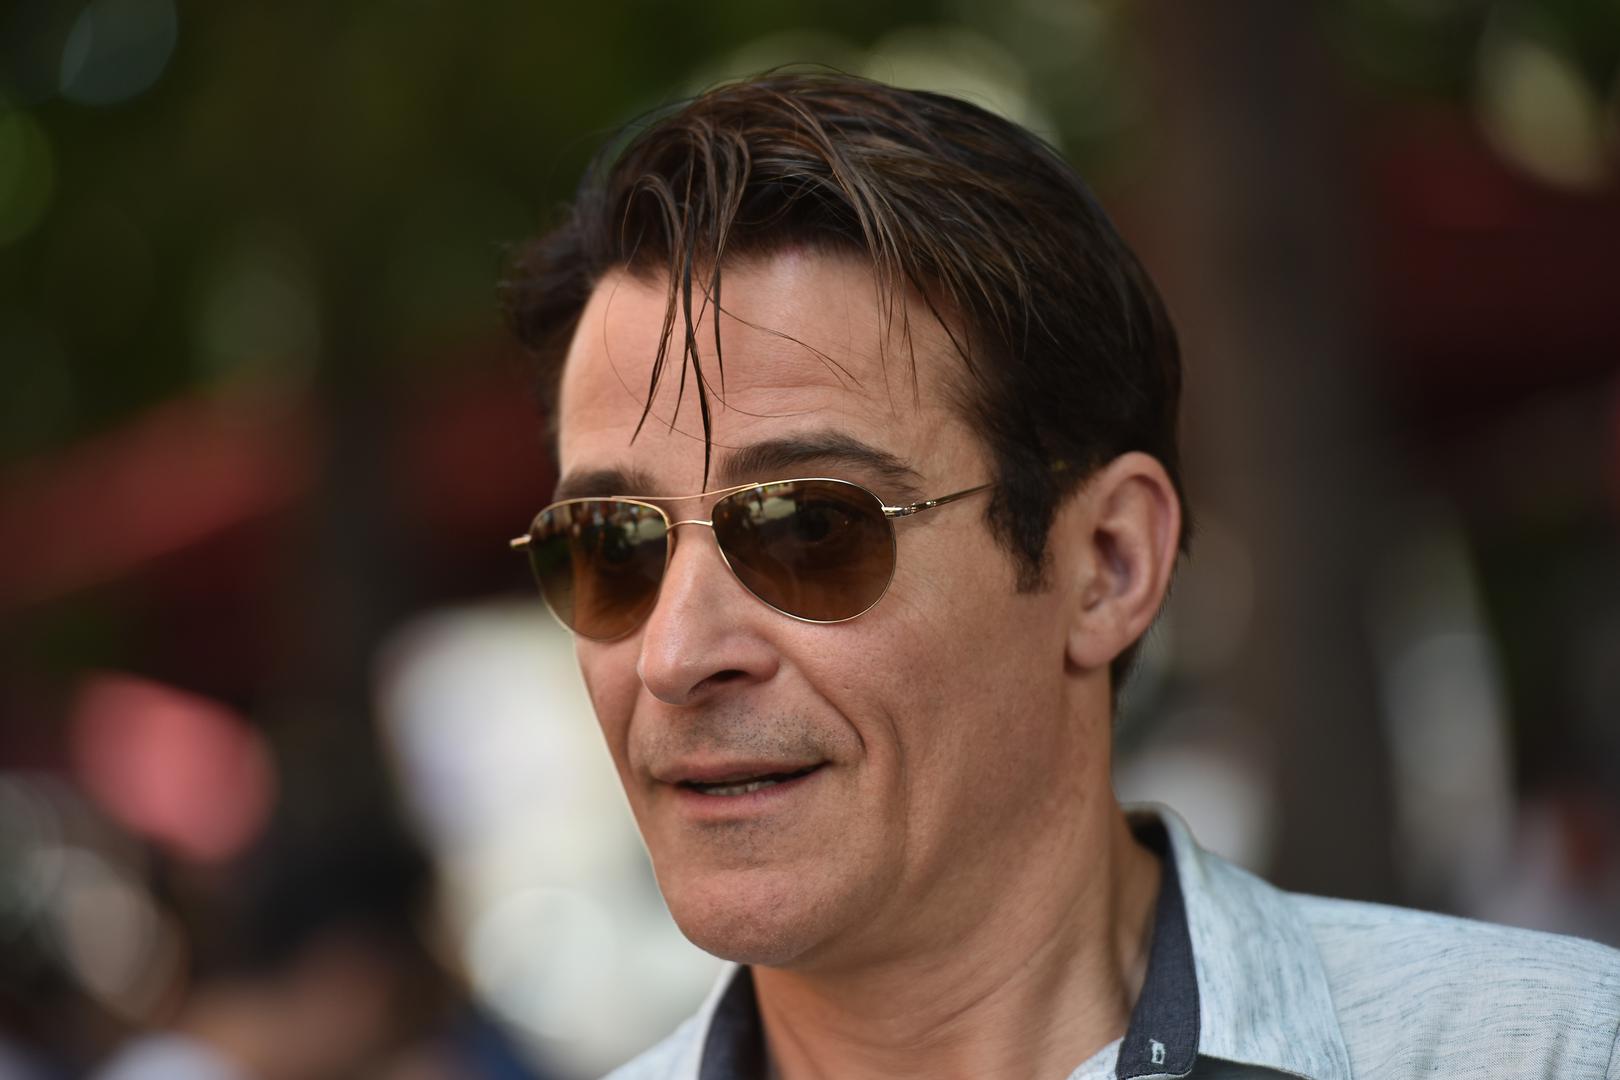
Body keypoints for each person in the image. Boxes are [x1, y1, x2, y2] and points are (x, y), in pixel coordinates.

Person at [502, 73, 1620, 1080]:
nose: (675, 654)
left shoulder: (1547, 1053)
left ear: (1108, 564)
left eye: (810, 527)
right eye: (611, 545)